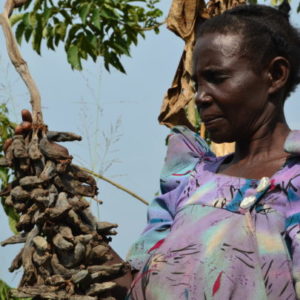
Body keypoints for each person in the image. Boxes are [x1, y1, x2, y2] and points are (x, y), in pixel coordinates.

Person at [125, 4, 300, 300]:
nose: (200, 97)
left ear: (275, 74)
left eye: (217, 78)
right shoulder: (190, 180)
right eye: (197, 83)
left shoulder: (294, 180)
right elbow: (138, 285)